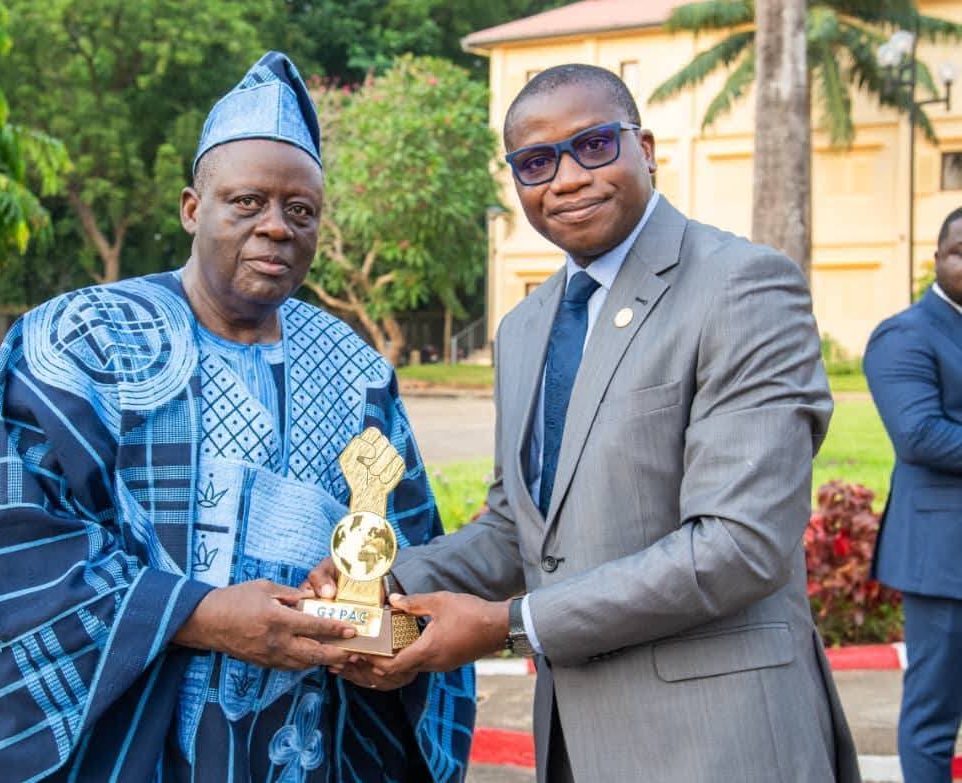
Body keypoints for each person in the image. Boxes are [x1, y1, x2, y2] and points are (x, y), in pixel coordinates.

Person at [0, 52, 473, 781]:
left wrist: (387, 629)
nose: (277, 227)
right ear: (193, 207)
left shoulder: (355, 369)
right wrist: (196, 613)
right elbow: (5, 548)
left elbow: (405, 542)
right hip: (126, 746)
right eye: (248, 202)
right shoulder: (79, 341)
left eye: (301, 211)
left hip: (302, 742)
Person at [307, 64, 861, 782]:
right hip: (577, 743)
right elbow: (517, 527)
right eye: (536, 162)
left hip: (725, 740)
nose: (566, 179)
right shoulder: (525, 326)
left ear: (647, 147)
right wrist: (379, 580)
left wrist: (509, 622)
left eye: (594, 145)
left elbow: (739, 545)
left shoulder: (743, 286)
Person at [864, 206, 962, 783]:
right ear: (936, 259)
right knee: (934, 714)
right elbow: (921, 435)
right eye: (961, 251)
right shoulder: (906, 334)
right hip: (944, 558)